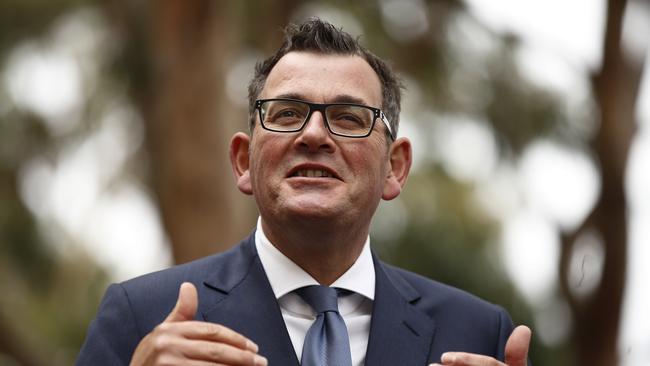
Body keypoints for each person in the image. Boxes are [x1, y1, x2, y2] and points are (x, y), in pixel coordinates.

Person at [76, 18, 531, 366]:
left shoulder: (477, 333)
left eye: (349, 118)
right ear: (242, 161)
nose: (313, 135)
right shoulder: (141, 320)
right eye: (288, 113)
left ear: (394, 168)